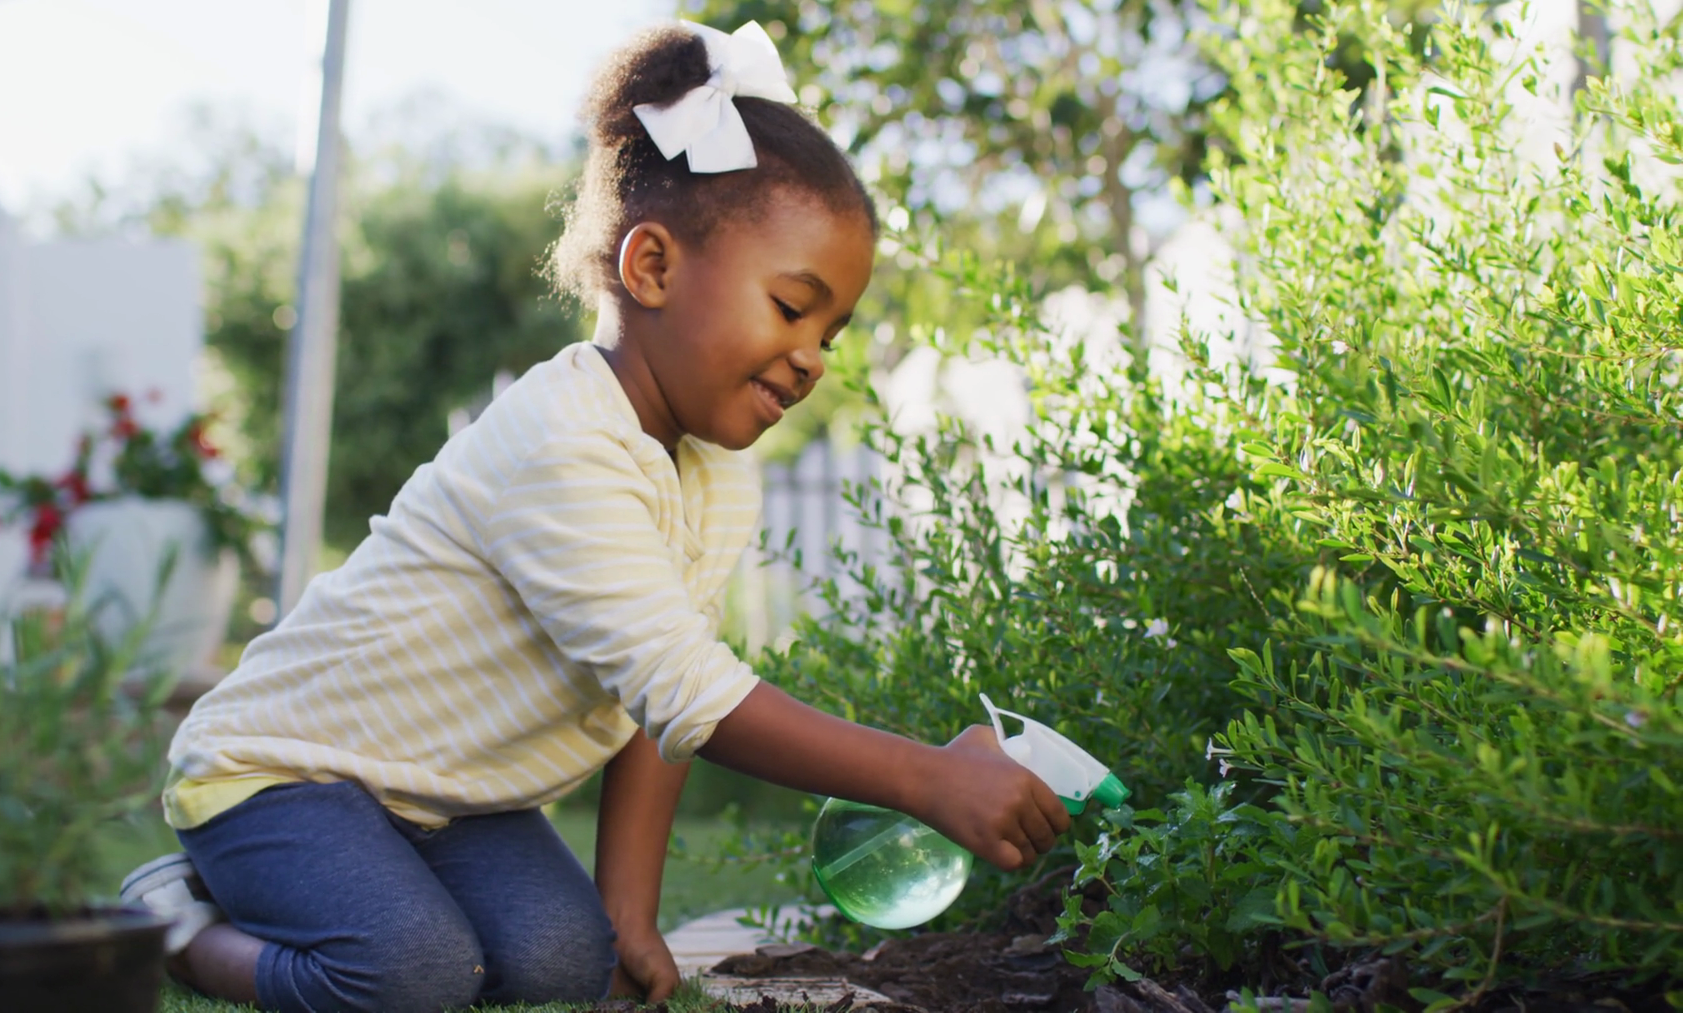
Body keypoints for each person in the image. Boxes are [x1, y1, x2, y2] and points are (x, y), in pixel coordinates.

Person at [120, 20, 1071, 1013]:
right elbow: (692, 691)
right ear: (651, 266)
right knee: (410, 973)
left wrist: (629, 915)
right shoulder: (563, 442)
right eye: (793, 307)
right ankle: (176, 926)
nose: (812, 358)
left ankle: (365, 901)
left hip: (442, 798)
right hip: (281, 772)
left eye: (831, 332)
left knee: (565, 962)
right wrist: (924, 778)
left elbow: (656, 707)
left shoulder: (714, 475)